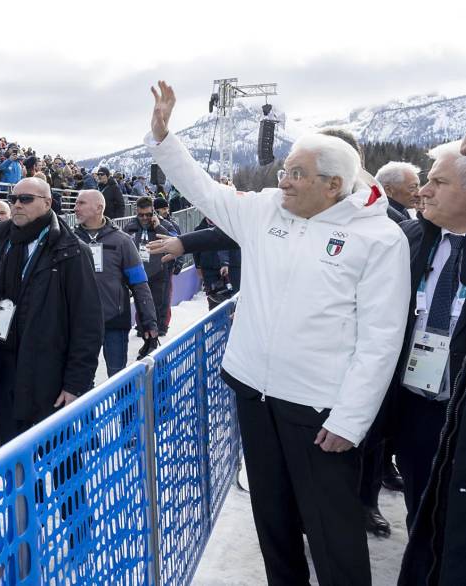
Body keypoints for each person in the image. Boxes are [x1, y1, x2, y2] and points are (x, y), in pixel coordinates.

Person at [148, 81, 410, 586]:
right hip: (254, 392)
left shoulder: (379, 239)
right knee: (273, 520)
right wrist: (164, 137)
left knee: (332, 530)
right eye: (285, 171)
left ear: (333, 185)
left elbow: (381, 339)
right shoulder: (265, 210)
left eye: (297, 175)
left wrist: (351, 420)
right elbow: (205, 190)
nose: (284, 182)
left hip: (317, 410)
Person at [0, 177, 102, 443]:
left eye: (26, 199)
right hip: (5, 372)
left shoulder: (71, 251)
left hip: (50, 378)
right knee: (16, 463)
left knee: (64, 467)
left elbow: (87, 324)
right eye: (14, 199)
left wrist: (76, 384)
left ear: (47, 203)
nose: (17, 205)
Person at [400, 140, 466, 586]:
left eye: (438, 182)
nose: (424, 191)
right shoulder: (413, 239)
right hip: (416, 404)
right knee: (419, 505)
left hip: (458, 410)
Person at [73, 189, 157, 377]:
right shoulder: (71, 240)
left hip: (114, 321)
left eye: (81, 203)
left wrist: (149, 321)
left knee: (118, 378)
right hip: (80, 323)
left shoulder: (122, 241)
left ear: (99, 208)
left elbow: (139, 283)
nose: (75, 207)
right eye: (76, 203)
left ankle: (123, 408)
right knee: (81, 381)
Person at [123, 196, 175, 342]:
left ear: (153, 211)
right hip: (139, 272)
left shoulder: (164, 224)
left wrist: (158, 227)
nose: (145, 218)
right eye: (141, 215)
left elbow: (175, 239)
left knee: (159, 302)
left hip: (159, 271)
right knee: (141, 301)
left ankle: (159, 330)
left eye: (148, 214)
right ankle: (142, 328)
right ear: (136, 212)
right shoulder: (130, 226)